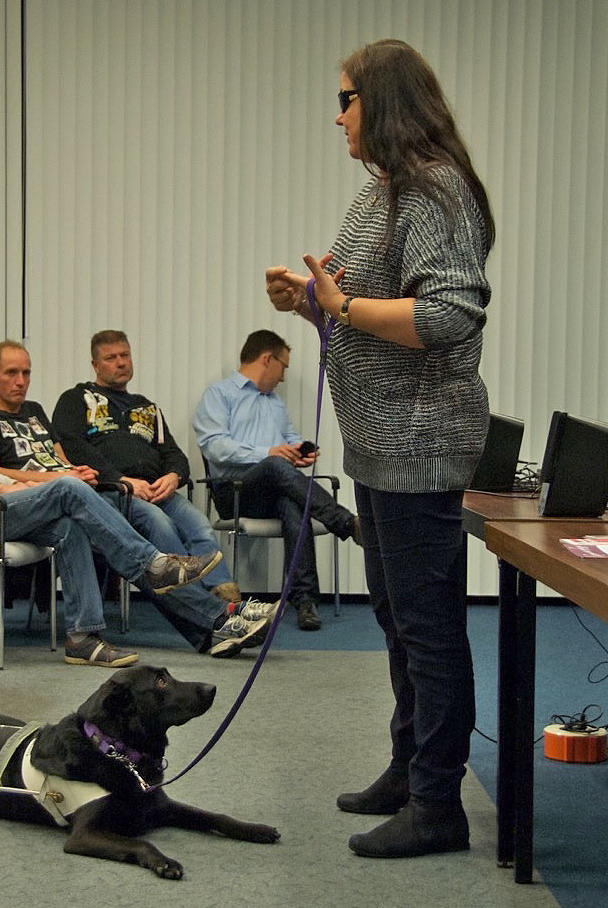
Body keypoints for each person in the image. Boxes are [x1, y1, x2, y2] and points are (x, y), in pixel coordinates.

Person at [265, 39, 495, 858]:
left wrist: (345, 305)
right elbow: (357, 308)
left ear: (384, 103)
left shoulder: (435, 191)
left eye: (347, 99)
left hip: (422, 441)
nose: (338, 115)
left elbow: (446, 317)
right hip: (376, 441)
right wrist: (310, 304)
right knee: (400, 619)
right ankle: (408, 768)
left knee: (429, 628)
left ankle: (439, 805)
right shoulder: (379, 194)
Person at [0, 339, 275, 659]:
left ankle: (210, 630)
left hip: (75, 494)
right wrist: (63, 479)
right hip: (40, 500)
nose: (20, 381)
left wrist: (77, 473)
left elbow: (61, 461)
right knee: (143, 547)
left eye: (26, 373)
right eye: (11, 373)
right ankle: (219, 615)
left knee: (143, 548)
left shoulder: (35, 412)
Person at [52, 329, 241, 603]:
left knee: (199, 525)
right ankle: (201, 606)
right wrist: (120, 479)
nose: (120, 362)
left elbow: (173, 453)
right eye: (111, 358)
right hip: (112, 492)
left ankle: (227, 598)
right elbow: (71, 446)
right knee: (160, 524)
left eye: (125, 355)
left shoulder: (147, 407)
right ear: (95, 365)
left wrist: (174, 477)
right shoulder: (76, 399)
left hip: (157, 490)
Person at [192, 329, 361, 631]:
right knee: (273, 465)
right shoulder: (219, 394)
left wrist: (298, 453)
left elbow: (290, 439)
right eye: (283, 366)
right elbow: (214, 447)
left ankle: (304, 600)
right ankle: (344, 522)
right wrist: (269, 453)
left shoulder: (275, 404)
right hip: (234, 493)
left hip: (273, 489)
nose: (283, 377)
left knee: (293, 504)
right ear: (267, 358)